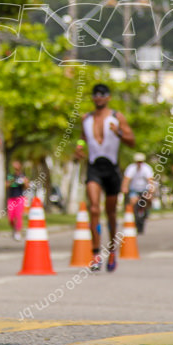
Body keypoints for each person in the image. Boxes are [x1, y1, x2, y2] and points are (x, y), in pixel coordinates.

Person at [76, 83, 135, 272]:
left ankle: (111, 251)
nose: (99, 98)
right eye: (96, 95)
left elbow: (132, 141)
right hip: (94, 167)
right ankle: (95, 254)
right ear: (93, 98)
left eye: (102, 94)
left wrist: (118, 132)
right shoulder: (86, 118)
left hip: (112, 169)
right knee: (93, 208)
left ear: (108, 97)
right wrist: (78, 148)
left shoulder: (117, 117)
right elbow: (82, 138)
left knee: (110, 213)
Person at [121, 152, 155, 234]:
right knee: (133, 202)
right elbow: (126, 179)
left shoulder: (147, 168)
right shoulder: (131, 168)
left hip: (144, 189)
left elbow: (150, 181)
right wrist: (124, 187)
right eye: (138, 161)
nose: (139, 163)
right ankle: (135, 218)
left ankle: (147, 212)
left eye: (141, 161)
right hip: (134, 189)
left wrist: (151, 191)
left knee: (149, 199)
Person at [6, 160, 30, 241]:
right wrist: (10, 182)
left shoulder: (23, 176)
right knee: (11, 218)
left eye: (16, 163)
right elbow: (6, 185)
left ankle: (18, 232)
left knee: (18, 216)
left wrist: (25, 182)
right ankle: (14, 229)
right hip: (11, 198)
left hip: (20, 198)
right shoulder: (10, 176)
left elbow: (27, 187)